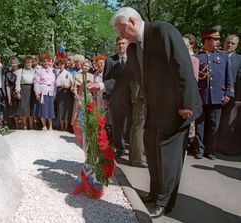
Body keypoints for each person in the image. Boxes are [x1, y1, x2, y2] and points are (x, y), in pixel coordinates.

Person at [88, 7, 202, 218]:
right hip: (154, 109)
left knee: (168, 156)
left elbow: (182, 64)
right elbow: (124, 78)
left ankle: (164, 202)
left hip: (178, 107)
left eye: (121, 30)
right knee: (152, 152)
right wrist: (102, 86)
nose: (120, 36)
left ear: (131, 21)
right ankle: (155, 193)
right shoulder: (133, 49)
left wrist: (186, 102)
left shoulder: (162, 31)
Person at [195, 26, 234, 160]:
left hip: (218, 96)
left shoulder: (223, 57)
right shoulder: (198, 57)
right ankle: (199, 149)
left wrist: (228, 93)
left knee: (214, 125)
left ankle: (210, 150)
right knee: (200, 124)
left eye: (218, 40)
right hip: (201, 96)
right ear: (206, 40)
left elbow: (229, 77)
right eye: (215, 39)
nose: (218, 42)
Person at [103, 36, 131, 159]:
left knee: (130, 124)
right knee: (117, 125)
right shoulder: (110, 60)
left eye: (123, 43)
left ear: (127, 44)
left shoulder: (133, 60)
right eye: (118, 44)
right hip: (115, 98)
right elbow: (106, 79)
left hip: (131, 98)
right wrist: (105, 97)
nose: (121, 46)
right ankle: (120, 148)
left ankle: (129, 146)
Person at [216, 34, 241, 155]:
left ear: (237, 45)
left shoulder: (239, 59)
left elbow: (239, 80)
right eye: (228, 42)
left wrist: (238, 98)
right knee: (215, 120)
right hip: (216, 94)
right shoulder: (216, 55)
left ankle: (223, 147)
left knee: (227, 122)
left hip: (232, 97)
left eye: (233, 43)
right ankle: (211, 145)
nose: (229, 45)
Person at [33, 53, 57, 130]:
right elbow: (36, 82)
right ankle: (44, 125)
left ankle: (50, 126)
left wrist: (55, 93)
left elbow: (55, 83)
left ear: (50, 62)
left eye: (47, 61)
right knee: (43, 108)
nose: (46, 63)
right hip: (42, 91)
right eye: (44, 61)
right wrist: (37, 93)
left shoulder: (54, 71)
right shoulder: (39, 71)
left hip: (51, 92)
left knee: (50, 108)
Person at [71, 59, 94, 126]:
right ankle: (77, 130)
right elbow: (73, 88)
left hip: (88, 96)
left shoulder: (92, 76)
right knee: (78, 113)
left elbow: (93, 88)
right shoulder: (77, 76)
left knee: (88, 113)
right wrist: (76, 95)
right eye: (85, 66)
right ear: (82, 66)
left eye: (88, 66)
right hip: (79, 96)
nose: (86, 67)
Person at [16, 55, 35, 129]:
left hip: (32, 90)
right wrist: (18, 91)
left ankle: (31, 126)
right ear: (24, 63)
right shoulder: (21, 70)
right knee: (24, 108)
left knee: (31, 108)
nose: (29, 64)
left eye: (30, 62)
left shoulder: (34, 70)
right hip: (23, 90)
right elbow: (17, 82)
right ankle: (24, 125)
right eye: (27, 62)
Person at [56, 58, 74, 131]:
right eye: (59, 65)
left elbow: (72, 84)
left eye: (62, 65)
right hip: (59, 91)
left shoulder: (68, 73)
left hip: (67, 92)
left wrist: (68, 86)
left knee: (66, 109)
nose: (61, 66)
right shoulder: (57, 73)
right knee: (60, 109)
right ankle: (61, 126)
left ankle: (66, 127)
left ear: (64, 65)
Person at [5, 56, 19, 129]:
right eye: (12, 63)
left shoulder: (21, 71)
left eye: (15, 63)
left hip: (21, 92)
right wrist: (9, 98)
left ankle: (24, 124)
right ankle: (16, 125)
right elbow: (7, 86)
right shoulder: (8, 73)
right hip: (12, 93)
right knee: (14, 109)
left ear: (17, 63)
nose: (13, 64)